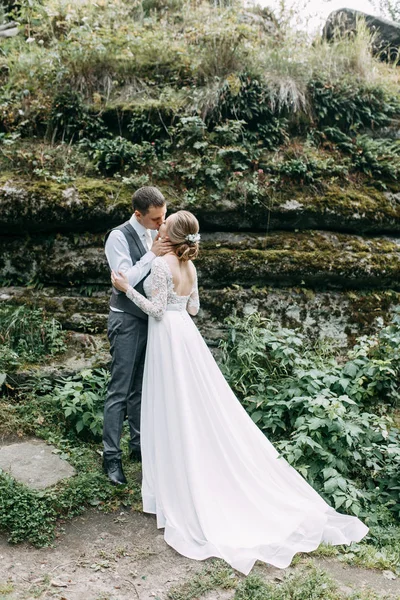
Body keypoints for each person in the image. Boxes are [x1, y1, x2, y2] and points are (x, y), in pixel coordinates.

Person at [111, 210, 368, 575]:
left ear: (173, 234)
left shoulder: (161, 266)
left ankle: (175, 482)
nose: (161, 225)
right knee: (194, 406)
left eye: (165, 225)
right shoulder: (190, 268)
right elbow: (194, 308)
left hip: (167, 338)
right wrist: (176, 306)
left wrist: (127, 290)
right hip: (187, 335)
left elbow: (154, 311)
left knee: (172, 407)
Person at [103, 186, 172, 486]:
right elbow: (123, 280)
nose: (161, 224)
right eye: (156, 219)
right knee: (119, 390)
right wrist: (151, 255)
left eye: (164, 217)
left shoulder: (157, 231)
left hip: (151, 320)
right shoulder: (118, 237)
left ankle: (138, 447)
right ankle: (111, 458)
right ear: (138, 214)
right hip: (126, 321)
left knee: (141, 389)